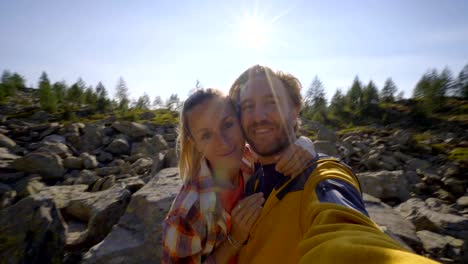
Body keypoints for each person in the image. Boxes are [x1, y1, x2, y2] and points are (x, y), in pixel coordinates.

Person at [228, 65, 438, 264]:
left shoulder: (322, 176)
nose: (258, 116)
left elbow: (345, 232)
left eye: (271, 102)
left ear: (295, 110)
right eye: (247, 106)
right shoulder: (246, 177)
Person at [162, 88, 316, 263]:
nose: (223, 142)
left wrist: (305, 144)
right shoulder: (186, 215)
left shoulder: (251, 158)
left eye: (227, 124)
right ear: (195, 144)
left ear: (240, 120)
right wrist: (234, 239)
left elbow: (285, 147)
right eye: (206, 135)